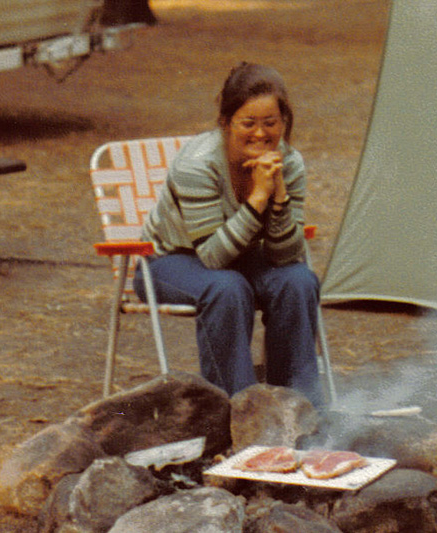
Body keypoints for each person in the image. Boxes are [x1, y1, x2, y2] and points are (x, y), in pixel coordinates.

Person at [135, 62, 323, 406]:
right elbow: (212, 257)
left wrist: (278, 194)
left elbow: (285, 256)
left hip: (242, 258)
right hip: (169, 261)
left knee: (298, 280)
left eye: (271, 123)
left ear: (284, 122)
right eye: (248, 123)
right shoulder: (198, 164)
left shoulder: (289, 163)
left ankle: (298, 408)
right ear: (226, 123)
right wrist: (258, 198)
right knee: (227, 288)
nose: (261, 134)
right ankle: (238, 411)